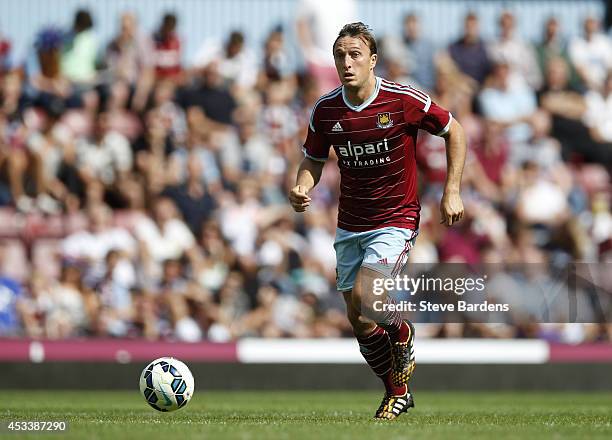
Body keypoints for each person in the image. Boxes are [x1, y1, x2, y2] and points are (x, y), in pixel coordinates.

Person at [289, 23, 466, 419]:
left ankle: (402, 332)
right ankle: (397, 392)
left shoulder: (403, 99)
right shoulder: (326, 109)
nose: (346, 62)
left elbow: (455, 131)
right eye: (339, 55)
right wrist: (301, 186)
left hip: (396, 219)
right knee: (358, 318)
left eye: (354, 54)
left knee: (369, 299)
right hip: (350, 223)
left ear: (372, 60)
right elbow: (313, 159)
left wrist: (452, 190)